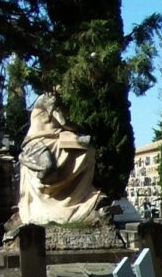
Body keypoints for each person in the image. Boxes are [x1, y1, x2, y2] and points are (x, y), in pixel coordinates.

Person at [17, 92, 104, 225]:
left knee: (88, 150)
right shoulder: (48, 98)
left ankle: (80, 196)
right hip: (36, 141)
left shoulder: (59, 101)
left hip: (56, 139)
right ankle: (27, 162)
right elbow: (64, 122)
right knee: (48, 167)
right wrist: (80, 129)